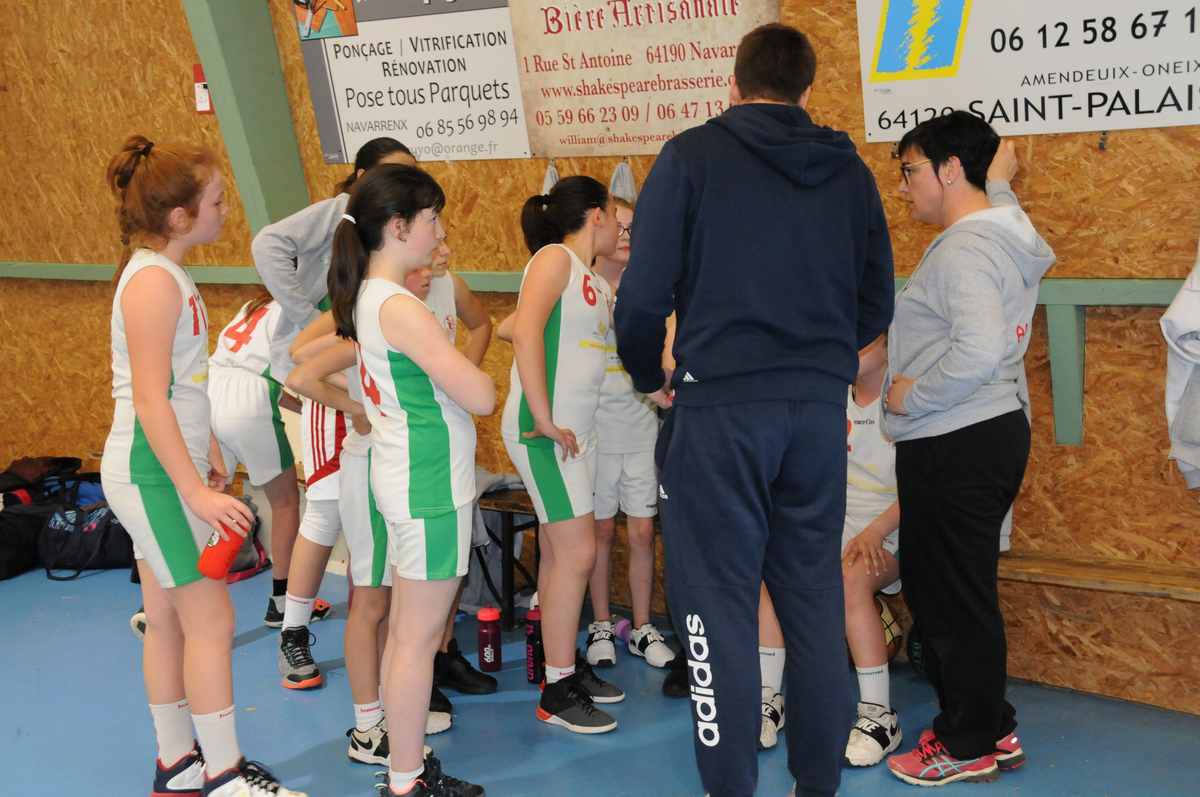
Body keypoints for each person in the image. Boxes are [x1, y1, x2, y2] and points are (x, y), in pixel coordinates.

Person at [613, 23, 895, 797]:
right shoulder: (849, 171)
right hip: (815, 418)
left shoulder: (691, 157)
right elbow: (877, 298)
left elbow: (640, 296)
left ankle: (730, 786)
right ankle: (817, 784)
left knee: (716, 613)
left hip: (721, 414)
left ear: (732, 86)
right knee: (811, 603)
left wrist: (649, 374)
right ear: (807, 90)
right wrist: (820, 360)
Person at [100, 134, 305, 797]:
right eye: (216, 200)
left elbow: (181, 385)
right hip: (152, 475)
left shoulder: (165, 273)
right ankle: (223, 775)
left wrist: (206, 448)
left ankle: (178, 764)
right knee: (211, 620)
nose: (225, 209)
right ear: (179, 215)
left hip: (164, 467)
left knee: (166, 618)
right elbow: (150, 398)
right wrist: (192, 488)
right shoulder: (152, 283)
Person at [883, 119, 1053, 787]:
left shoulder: (963, 249)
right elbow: (1006, 217)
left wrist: (911, 395)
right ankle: (991, 724)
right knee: (959, 589)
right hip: (979, 434)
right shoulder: (1002, 232)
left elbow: (980, 349)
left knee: (949, 597)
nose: (904, 188)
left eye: (911, 171)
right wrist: (1000, 183)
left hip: (955, 435)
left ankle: (967, 741)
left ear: (951, 169)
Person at [329, 163, 492, 796]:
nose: (440, 231)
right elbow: (480, 394)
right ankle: (405, 780)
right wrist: (464, 378)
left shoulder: (373, 296)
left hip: (409, 477)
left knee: (405, 636)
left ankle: (406, 771)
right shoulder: (399, 305)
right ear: (398, 227)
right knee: (415, 642)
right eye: (432, 219)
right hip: (427, 484)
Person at [252, 137, 417, 689]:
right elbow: (268, 245)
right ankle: (292, 632)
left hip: (372, 390)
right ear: (363, 176)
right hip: (331, 387)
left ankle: (387, 636)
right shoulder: (342, 219)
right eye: (393, 176)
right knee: (325, 510)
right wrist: (307, 315)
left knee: (375, 512)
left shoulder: (398, 240)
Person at [500, 175, 626, 733]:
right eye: (616, 217)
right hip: (545, 434)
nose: (621, 227)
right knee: (578, 555)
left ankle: (564, 669)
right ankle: (556, 690)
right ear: (596, 215)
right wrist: (543, 416)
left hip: (579, 435)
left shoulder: (591, 278)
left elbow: (518, 325)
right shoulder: (553, 259)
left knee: (559, 556)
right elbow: (526, 331)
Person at [583, 198, 675, 670]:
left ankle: (641, 626)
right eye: (617, 227)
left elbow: (667, 355)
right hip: (596, 431)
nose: (624, 236)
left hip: (641, 427)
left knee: (641, 531)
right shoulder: (584, 288)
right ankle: (601, 623)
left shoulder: (651, 291)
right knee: (600, 530)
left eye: (632, 229)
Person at [423, 240, 501, 698]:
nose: (446, 247)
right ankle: (414, 669)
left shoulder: (449, 285)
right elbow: (306, 357)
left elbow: (482, 324)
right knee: (411, 573)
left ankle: (444, 651)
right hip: (411, 448)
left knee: (453, 560)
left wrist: (461, 376)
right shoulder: (385, 297)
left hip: (451, 440)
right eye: (434, 234)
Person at [207, 294, 302, 621]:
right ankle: (281, 603)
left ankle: (172, 600)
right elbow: (264, 379)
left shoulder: (254, 303)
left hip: (209, 393)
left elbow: (253, 371)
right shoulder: (300, 307)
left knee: (207, 503)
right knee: (286, 503)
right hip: (250, 400)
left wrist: (300, 407)